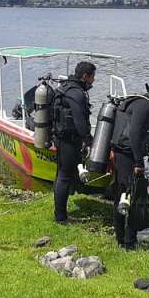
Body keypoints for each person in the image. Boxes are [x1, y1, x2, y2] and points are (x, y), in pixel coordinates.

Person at [109, 79, 149, 250]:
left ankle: (121, 239)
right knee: (132, 198)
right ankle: (129, 243)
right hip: (128, 156)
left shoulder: (137, 101)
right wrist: (138, 162)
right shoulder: (145, 106)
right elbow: (135, 133)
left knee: (122, 196)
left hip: (120, 153)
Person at [51, 61, 96, 224]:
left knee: (62, 173)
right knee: (64, 176)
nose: (93, 81)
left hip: (61, 137)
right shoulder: (76, 93)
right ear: (85, 76)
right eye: (92, 77)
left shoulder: (65, 87)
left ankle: (60, 213)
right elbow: (79, 121)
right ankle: (61, 218)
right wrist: (88, 140)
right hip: (69, 140)